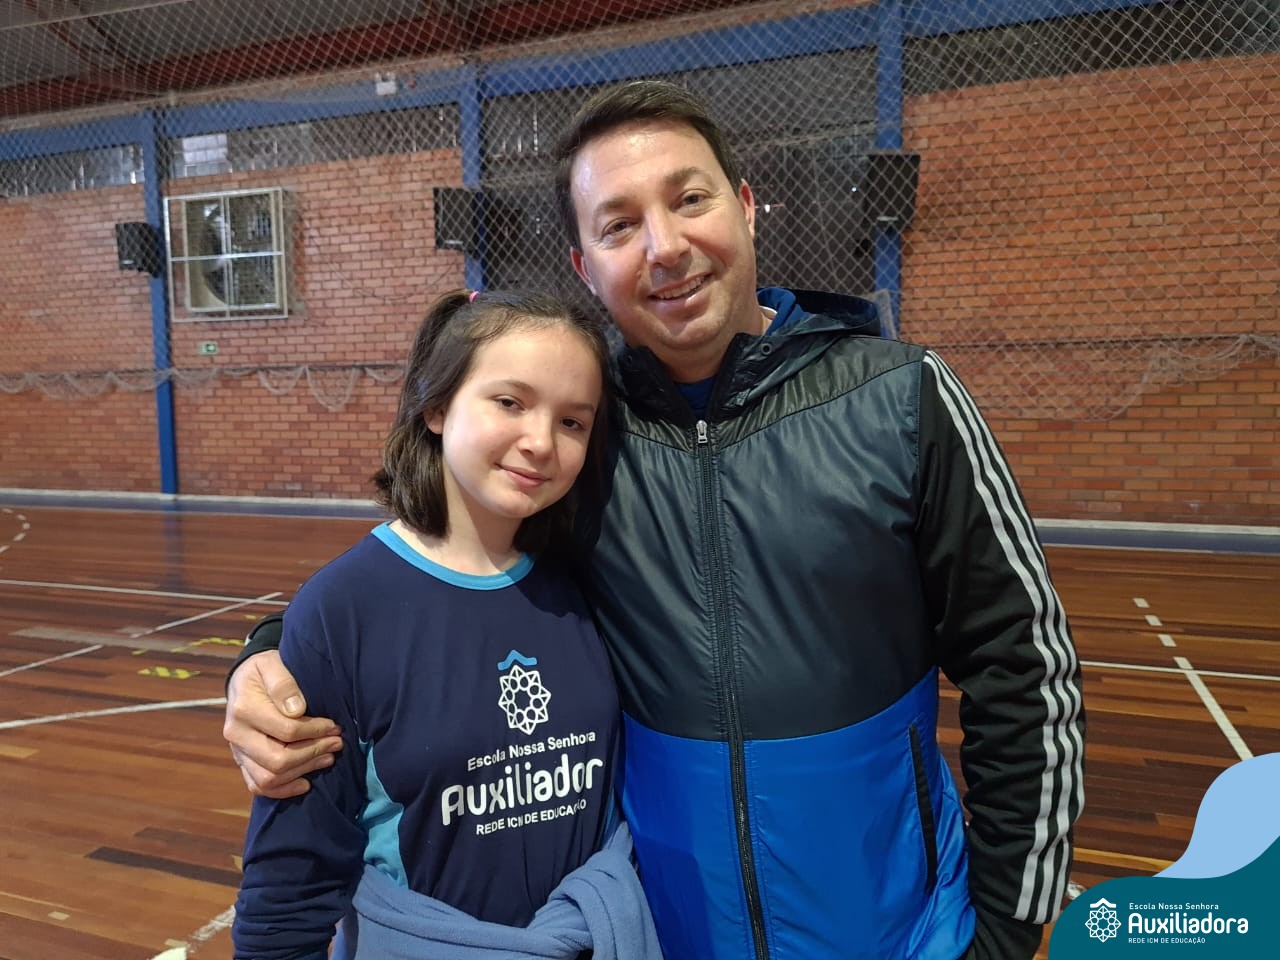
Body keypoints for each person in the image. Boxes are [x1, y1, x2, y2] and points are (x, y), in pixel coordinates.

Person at [225, 82, 1085, 960]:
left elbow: (1024, 670)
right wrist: (271, 657)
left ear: (745, 206)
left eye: (690, 199)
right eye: (619, 225)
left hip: (901, 934)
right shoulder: (580, 435)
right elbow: (444, 572)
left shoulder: (901, 397)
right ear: (585, 267)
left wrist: (1007, 930)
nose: (665, 247)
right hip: (662, 937)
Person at [231, 289, 661, 960]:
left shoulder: (587, 580)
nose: (540, 442)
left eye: (573, 421)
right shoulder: (343, 607)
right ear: (436, 407)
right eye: (510, 402)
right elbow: (292, 881)